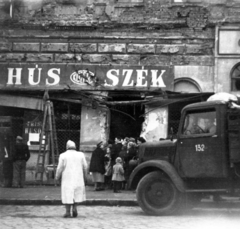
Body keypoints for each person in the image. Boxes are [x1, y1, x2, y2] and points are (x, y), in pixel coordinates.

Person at [55, 140, 87, 218]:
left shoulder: (63, 155)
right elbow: (85, 167)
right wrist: (85, 177)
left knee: (67, 194)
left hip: (67, 178)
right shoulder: (81, 155)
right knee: (76, 193)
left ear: (67, 147)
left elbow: (59, 168)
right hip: (78, 177)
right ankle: (75, 207)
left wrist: (57, 177)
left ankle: (67, 212)